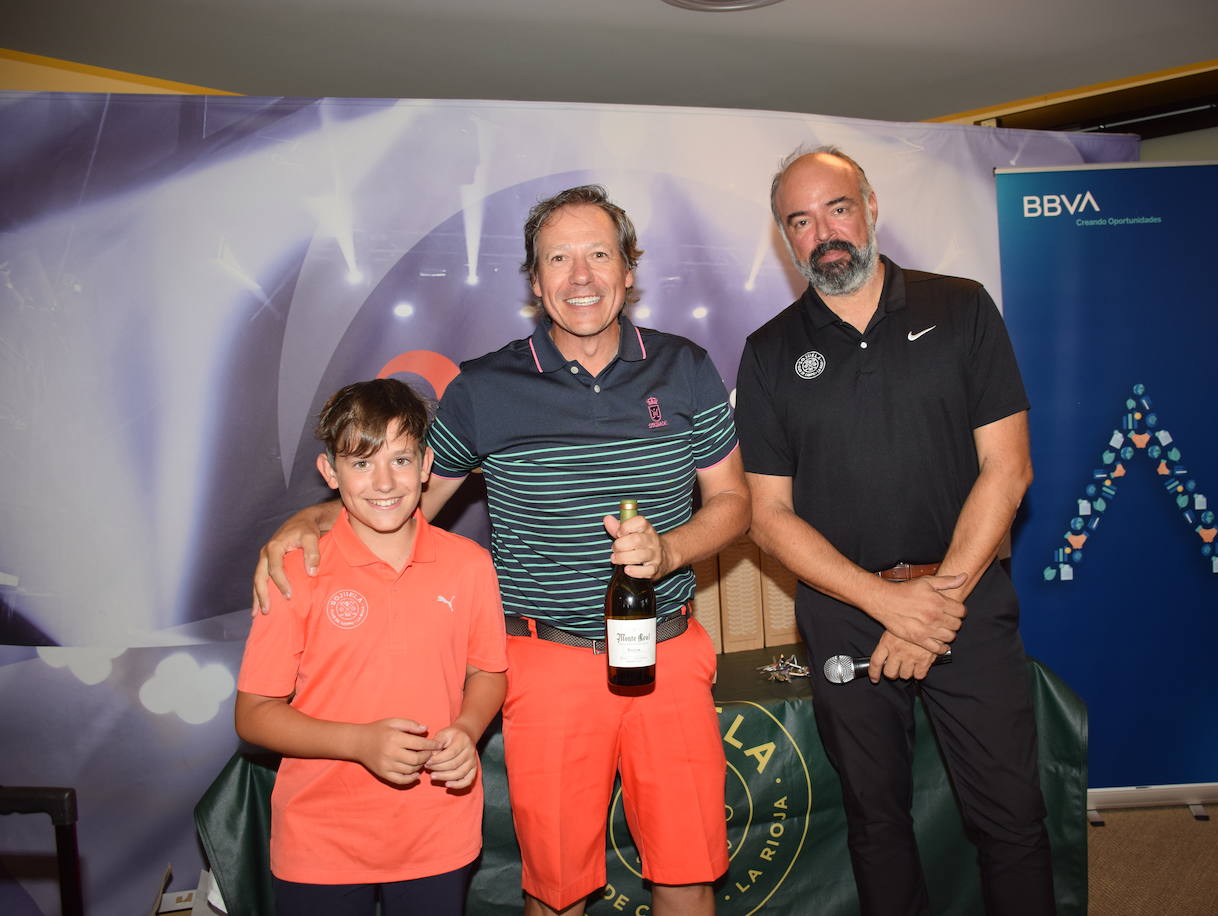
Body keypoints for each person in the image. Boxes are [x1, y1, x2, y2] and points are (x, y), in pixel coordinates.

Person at [254, 185, 749, 916]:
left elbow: (735, 504)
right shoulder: (484, 387)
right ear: (535, 280)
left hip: (666, 655)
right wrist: (312, 518)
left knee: (687, 874)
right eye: (558, 258)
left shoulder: (686, 368)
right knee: (556, 889)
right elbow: (399, 500)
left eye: (598, 255)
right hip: (543, 666)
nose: (580, 277)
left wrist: (671, 550)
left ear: (628, 270)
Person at [734, 147, 1055, 915]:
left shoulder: (963, 307)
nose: (823, 235)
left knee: (1011, 819)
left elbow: (1008, 471)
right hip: (844, 616)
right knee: (877, 823)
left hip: (966, 599)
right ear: (786, 239)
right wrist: (884, 604)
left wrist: (930, 605)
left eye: (837, 209)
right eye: (799, 222)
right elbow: (767, 516)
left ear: (871, 206)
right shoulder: (769, 353)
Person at [236, 378, 508, 916]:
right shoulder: (294, 572)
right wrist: (359, 743)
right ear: (330, 473)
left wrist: (469, 728)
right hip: (322, 841)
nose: (384, 481)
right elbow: (254, 715)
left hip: (437, 835)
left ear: (428, 466)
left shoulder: (470, 566)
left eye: (401, 460)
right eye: (361, 464)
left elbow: (488, 672)